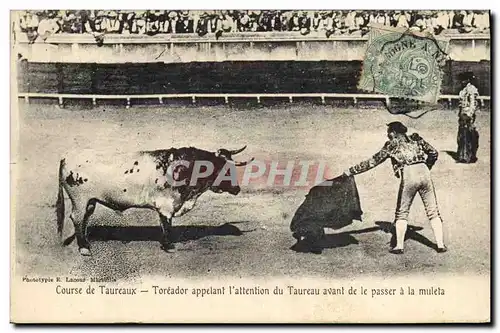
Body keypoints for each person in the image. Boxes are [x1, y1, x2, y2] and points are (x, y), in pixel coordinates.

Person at [342, 121, 447, 254]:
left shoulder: (391, 145)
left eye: (388, 133)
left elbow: (372, 162)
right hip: (424, 171)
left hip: (409, 173)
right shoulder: (416, 139)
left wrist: (351, 171)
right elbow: (434, 153)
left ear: (393, 133)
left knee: (402, 212)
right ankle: (440, 244)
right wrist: (427, 166)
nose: (387, 136)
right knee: (433, 211)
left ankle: (399, 246)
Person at [456, 72, 480, 163]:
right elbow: (461, 105)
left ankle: (469, 156)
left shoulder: (471, 89)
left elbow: (473, 104)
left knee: (469, 135)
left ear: (468, 80)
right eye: (461, 80)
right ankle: (463, 155)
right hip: (462, 114)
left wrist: (469, 114)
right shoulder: (463, 90)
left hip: (468, 115)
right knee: (462, 135)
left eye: (464, 80)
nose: (462, 82)